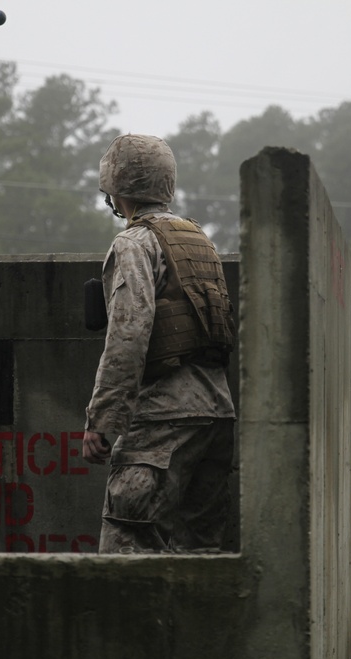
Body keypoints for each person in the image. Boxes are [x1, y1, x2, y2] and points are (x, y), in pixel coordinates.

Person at [82, 134, 237, 553]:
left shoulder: (133, 243)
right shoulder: (201, 242)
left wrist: (103, 420)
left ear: (115, 187)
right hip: (217, 413)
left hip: (162, 421)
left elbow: (128, 336)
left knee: (128, 549)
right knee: (200, 557)